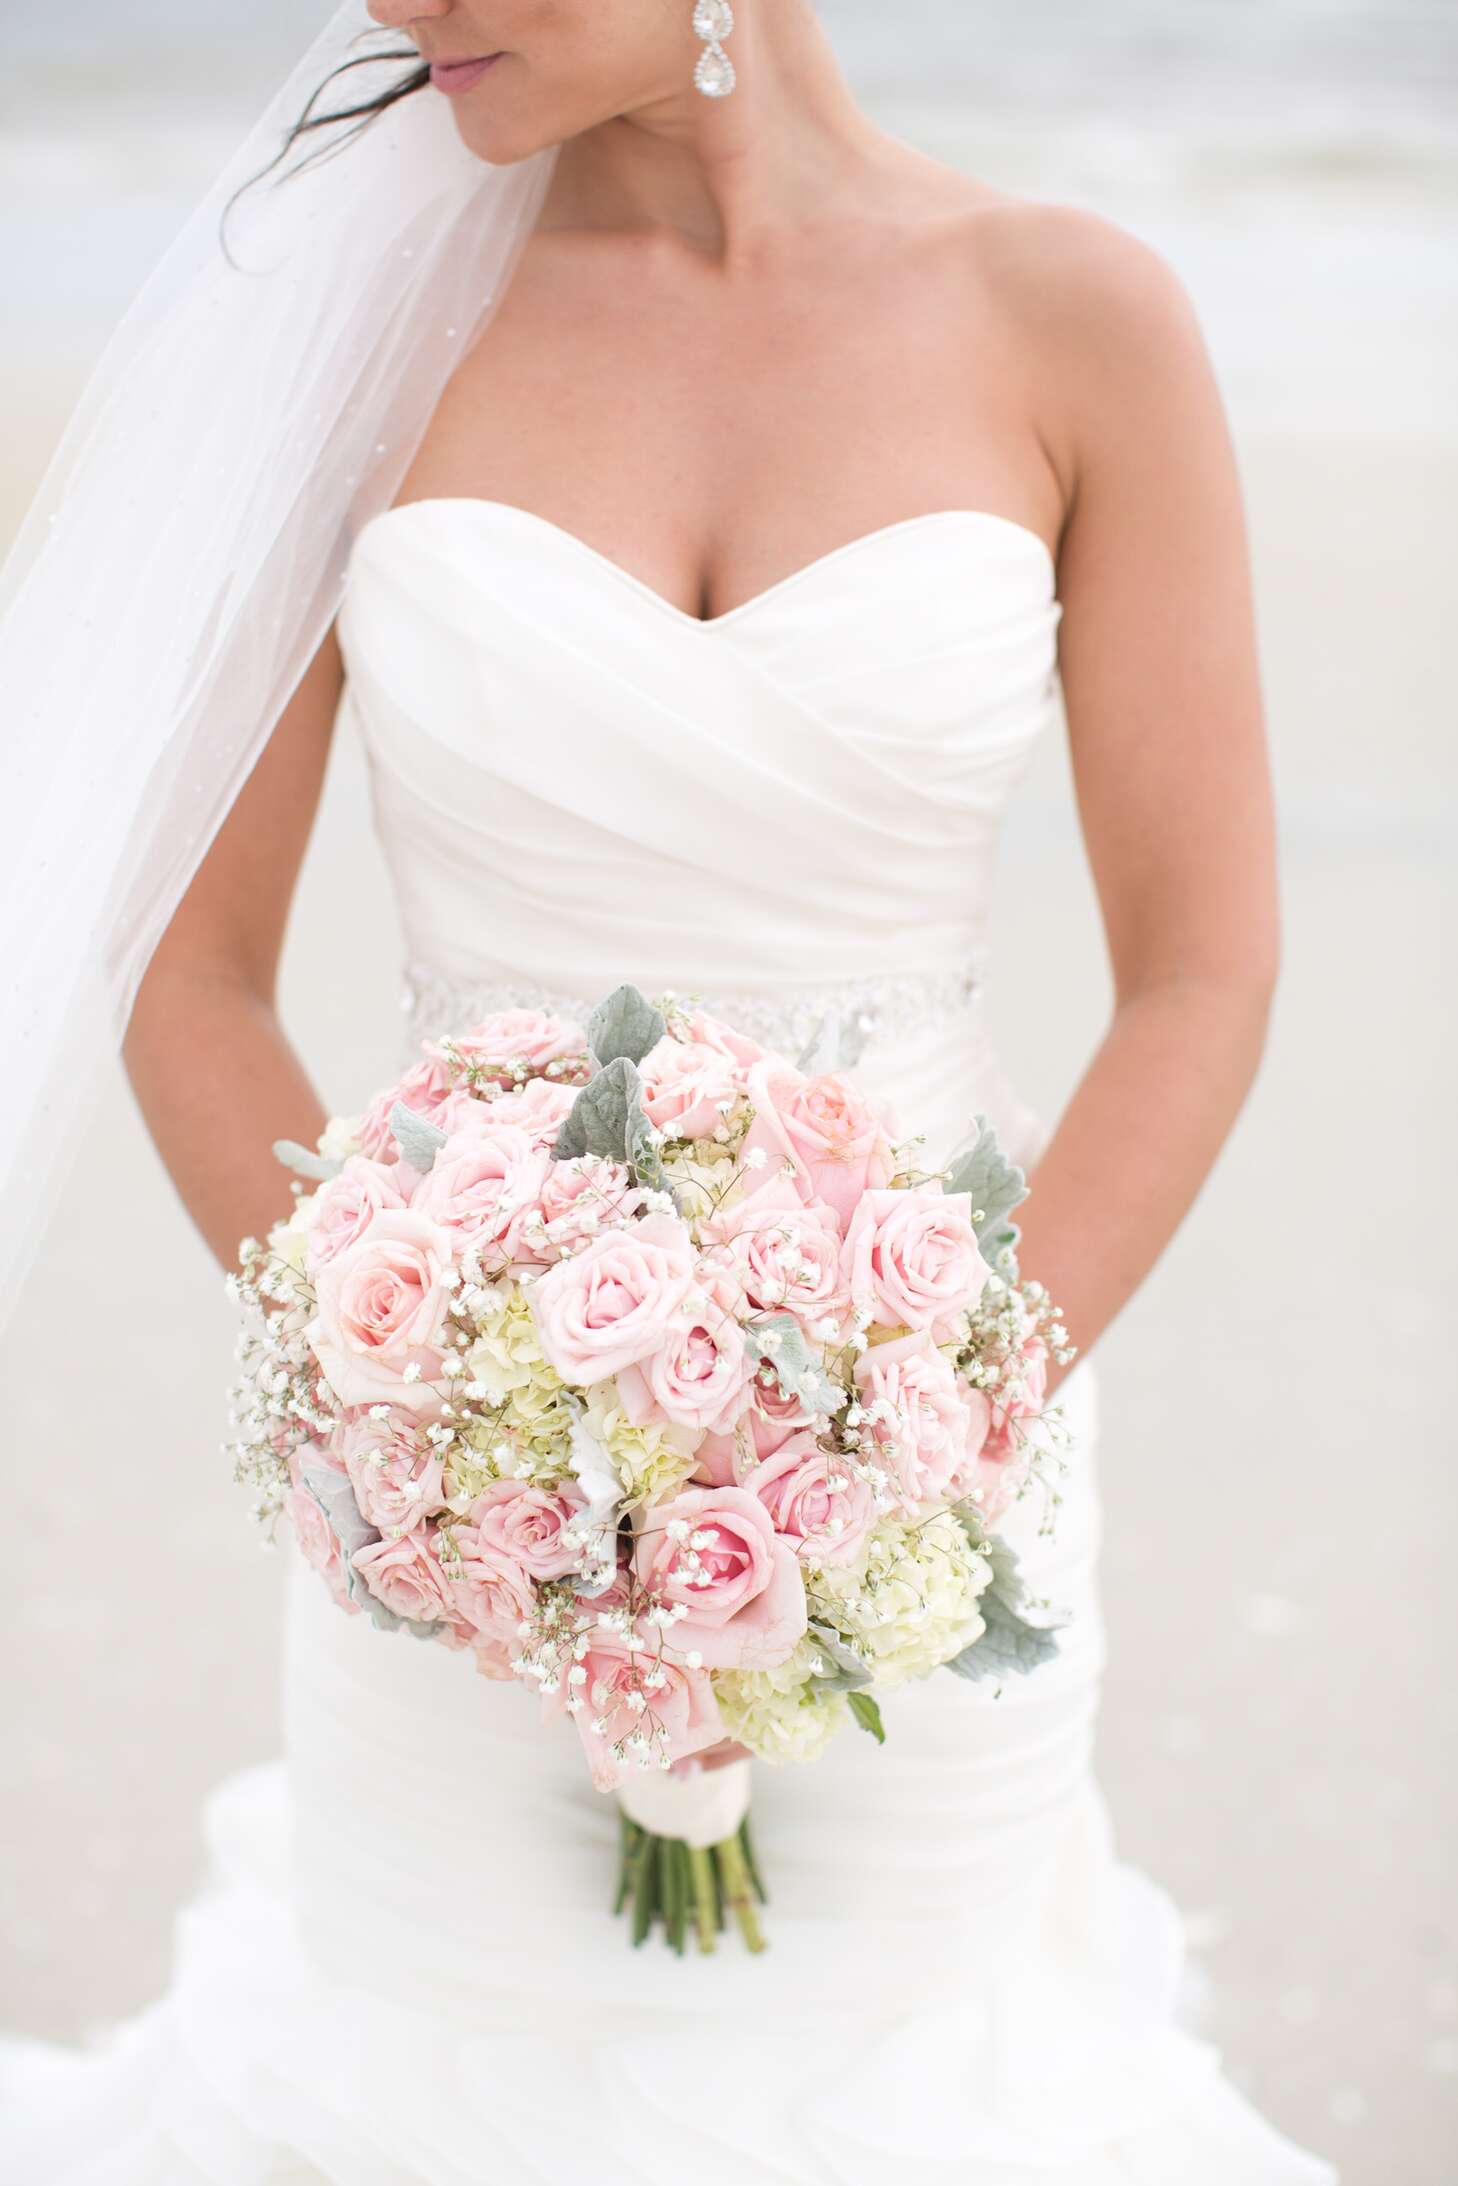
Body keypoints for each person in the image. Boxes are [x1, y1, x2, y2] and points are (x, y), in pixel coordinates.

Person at [0, 2, 1338, 2179]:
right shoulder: (350, 336)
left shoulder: (1074, 319)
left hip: (944, 1505)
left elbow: (1201, 971)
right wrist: (412, 1410)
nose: (396, 4)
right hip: (461, 1548)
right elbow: (191, 970)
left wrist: (936, 1423)